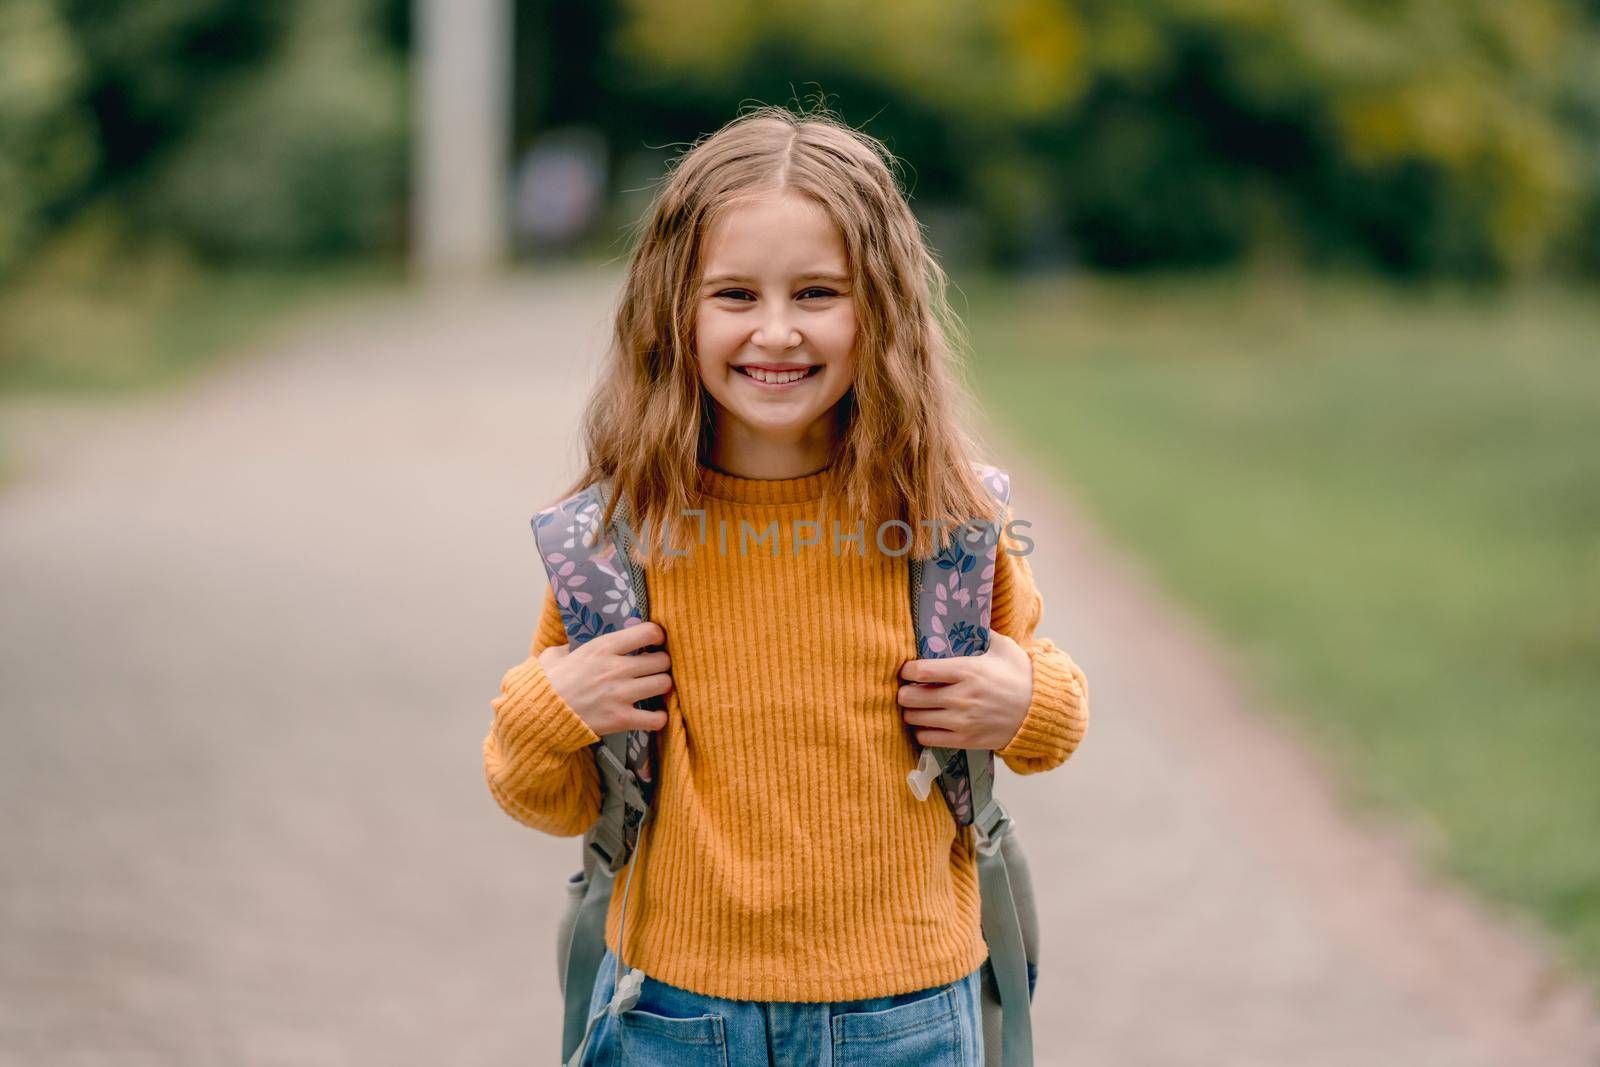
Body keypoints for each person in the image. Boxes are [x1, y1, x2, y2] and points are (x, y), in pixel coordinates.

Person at [482, 103, 1091, 1066]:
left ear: (881, 308)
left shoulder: (942, 517)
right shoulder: (620, 536)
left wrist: (1024, 700)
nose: (777, 333)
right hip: (672, 1015)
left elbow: (1045, 707)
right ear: (673, 309)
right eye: (734, 294)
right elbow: (545, 795)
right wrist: (550, 703)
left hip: (909, 1018)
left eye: (817, 293)